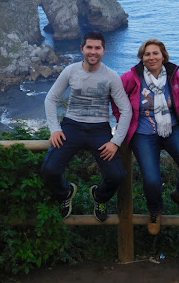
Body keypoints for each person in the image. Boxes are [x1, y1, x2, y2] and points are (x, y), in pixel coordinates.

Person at [42, 31, 132, 222]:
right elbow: (50, 98)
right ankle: (65, 194)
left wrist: (116, 142)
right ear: (81, 48)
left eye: (97, 48)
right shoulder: (71, 71)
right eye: (89, 47)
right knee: (49, 169)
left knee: (117, 175)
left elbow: (126, 110)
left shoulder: (111, 76)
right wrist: (55, 129)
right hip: (71, 127)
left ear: (104, 50)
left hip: (99, 130)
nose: (93, 52)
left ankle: (99, 197)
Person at [113, 39, 179, 235]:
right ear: (142, 58)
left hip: (173, 128)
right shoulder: (131, 77)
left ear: (163, 56)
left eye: (155, 53)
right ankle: (155, 211)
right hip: (143, 133)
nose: (151, 57)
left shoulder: (172, 74)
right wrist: (122, 119)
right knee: (151, 179)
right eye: (147, 54)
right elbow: (115, 95)